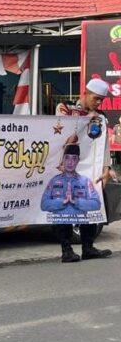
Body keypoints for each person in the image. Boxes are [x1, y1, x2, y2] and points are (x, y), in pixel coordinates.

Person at [54, 77, 115, 261]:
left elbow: (103, 145)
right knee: (65, 208)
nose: (98, 103)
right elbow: (65, 138)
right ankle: (66, 250)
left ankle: (88, 247)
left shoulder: (101, 117)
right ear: (85, 94)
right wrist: (85, 120)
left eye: (101, 100)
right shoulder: (65, 108)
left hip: (90, 169)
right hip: (67, 167)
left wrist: (106, 167)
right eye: (95, 98)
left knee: (91, 206)